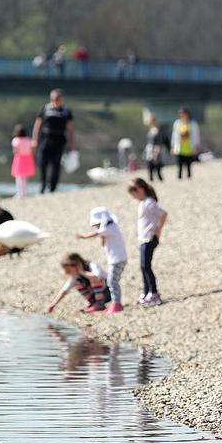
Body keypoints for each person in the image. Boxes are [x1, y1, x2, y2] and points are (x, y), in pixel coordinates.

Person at [75, 207, 128, 310]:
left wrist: (84, 236)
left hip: (118, 260)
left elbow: (97, 233)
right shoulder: (108, 229)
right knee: (112, 281)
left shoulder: (110, 227)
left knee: (112, 281)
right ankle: (115, 302)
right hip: (116, 259)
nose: (97, 228)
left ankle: (117, 303)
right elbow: (102, 242)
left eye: (97, 225)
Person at [129, 177, 167, 305]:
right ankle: (146, 292)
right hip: (143, 238)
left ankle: (154, 293)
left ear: (142, 188)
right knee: (143, 266)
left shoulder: (149, 202)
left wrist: (158, 229)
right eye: (130, 190)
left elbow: (163, 214)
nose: (132, 193)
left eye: (134, 189)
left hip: (149, 238)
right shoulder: (143, 203)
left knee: (146, 266)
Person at [32, 88, 75, 194]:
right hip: (46, 139)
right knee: (42, 164)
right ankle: (42, 186)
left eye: (57, 99)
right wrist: (35, 140)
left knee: (56, 166)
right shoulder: (45, 109)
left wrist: (72, 144)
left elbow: (70, 129)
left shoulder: (66, 111)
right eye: (53, 99)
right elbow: (37, 125)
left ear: (62, 99)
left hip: (59, 141)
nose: (55, 101)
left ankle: (53, 188)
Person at [48, 253, 114, 315]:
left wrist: (82, 272)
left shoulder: (91, 265)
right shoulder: (76, 276)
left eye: (69, 270)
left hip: (109, 291)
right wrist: (54, 304)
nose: (67, 272)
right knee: (76, 283)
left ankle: (99, 304)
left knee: (93, 278)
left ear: (77, 265)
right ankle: (93, 302)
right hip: (98, 294)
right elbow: (65, 289)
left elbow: (96, 276)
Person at [173, 108, 200, 179]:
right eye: (181, 114)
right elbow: (174, 136)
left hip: (189, 146)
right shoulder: (177, 123)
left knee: (188, 163)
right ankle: (179, 177)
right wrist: (172, 146)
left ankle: (189, 176)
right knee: (179, 163)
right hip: (180, 146)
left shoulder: (193, 123)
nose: (183, 115)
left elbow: (196, 136)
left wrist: (196, 147)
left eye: (184, 114)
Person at [10, 124, 35, 198]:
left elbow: (15, 151)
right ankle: (25, 192)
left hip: (19, 159)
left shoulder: (16, 140)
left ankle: (20, 193)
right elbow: (31, 150)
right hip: (28, 159)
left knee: (19, 177)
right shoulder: (28, 140)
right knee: (25, 178)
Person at [144, 116, 170, 181]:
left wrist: (157, 149)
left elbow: (159, 141)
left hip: (156, 147)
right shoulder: (151, 130)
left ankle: (159, 176)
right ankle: (151, 177)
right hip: (149, 148)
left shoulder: (157, 130)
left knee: (157, 162)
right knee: (150, 162)